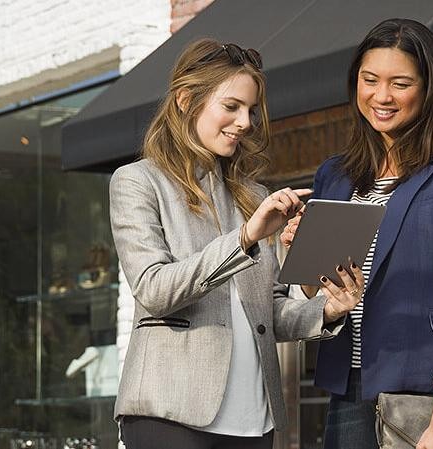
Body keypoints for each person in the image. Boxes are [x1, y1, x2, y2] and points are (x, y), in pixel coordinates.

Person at [109, 38, 364, 449]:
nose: (245, 122)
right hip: (170, 414)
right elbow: (154, 290)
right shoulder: (138, 181)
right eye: (231, 107)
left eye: (250, 110)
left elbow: (271, 314)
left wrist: (328, 309)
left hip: (253, 419)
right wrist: (245, 238)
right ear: (185, 100)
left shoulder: (253, 196)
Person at [281, 18, 433, 449]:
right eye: (369, 80)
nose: (381, 96)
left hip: (426, 393)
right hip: (349, 390)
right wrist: (301, 253)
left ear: (428, 87)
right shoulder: (336, 176)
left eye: (400, 83)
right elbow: (317, 294)